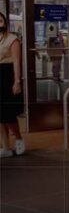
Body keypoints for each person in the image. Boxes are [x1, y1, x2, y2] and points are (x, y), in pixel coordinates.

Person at [0, 12, 24, 158]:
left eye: (0, 20)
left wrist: (17, 81)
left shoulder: (13, 39)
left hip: (7, 77)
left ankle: (19, 139)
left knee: (8, 115)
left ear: (5, 22)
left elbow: (16, 61)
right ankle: (5, 148)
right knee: (0, 116)